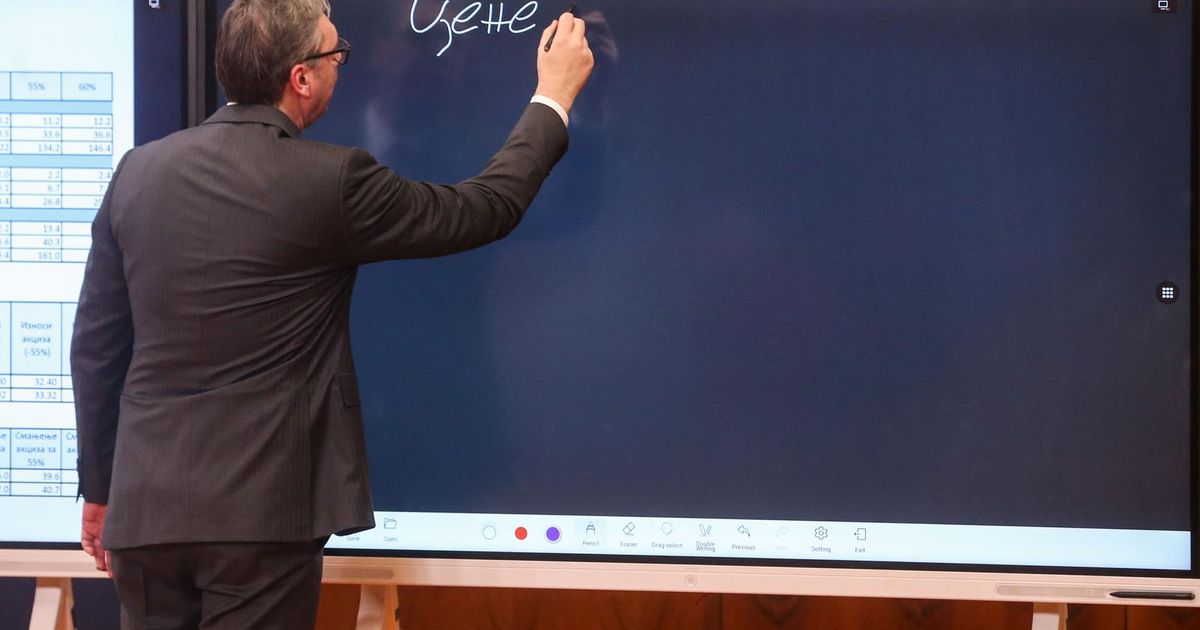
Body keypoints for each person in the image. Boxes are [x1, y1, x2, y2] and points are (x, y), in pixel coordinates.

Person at [69, 0, 592, 626]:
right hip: (260, 518)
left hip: (144, 514)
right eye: (336, 53)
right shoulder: (331, 179)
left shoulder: (137, 172)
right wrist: (554, 95)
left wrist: (100, 487)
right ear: (301, 78)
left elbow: (96, 347)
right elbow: (484, 208)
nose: (342, 64)